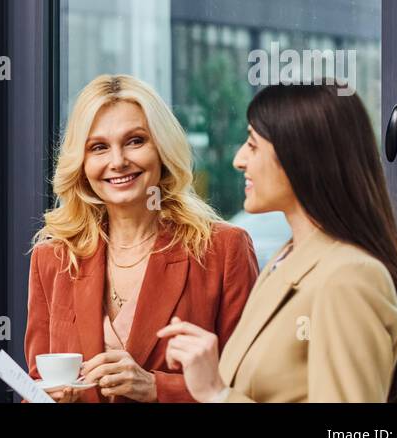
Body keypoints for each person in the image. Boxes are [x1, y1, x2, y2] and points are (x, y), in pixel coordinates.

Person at [159, 82, 397, 403]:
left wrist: (216, 394)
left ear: (300, 156)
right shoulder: (285, 259)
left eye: (252, 144)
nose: (239, 159)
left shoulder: (348, 278)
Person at [27, 74, 258, 403]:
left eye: (135, 141)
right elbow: (37, 384)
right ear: (82, 162)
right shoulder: (53, 257)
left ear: (162, 148)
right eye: (99, 147)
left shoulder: (223, 249)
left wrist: (156, 388)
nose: (118, 161)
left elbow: (249, 385)